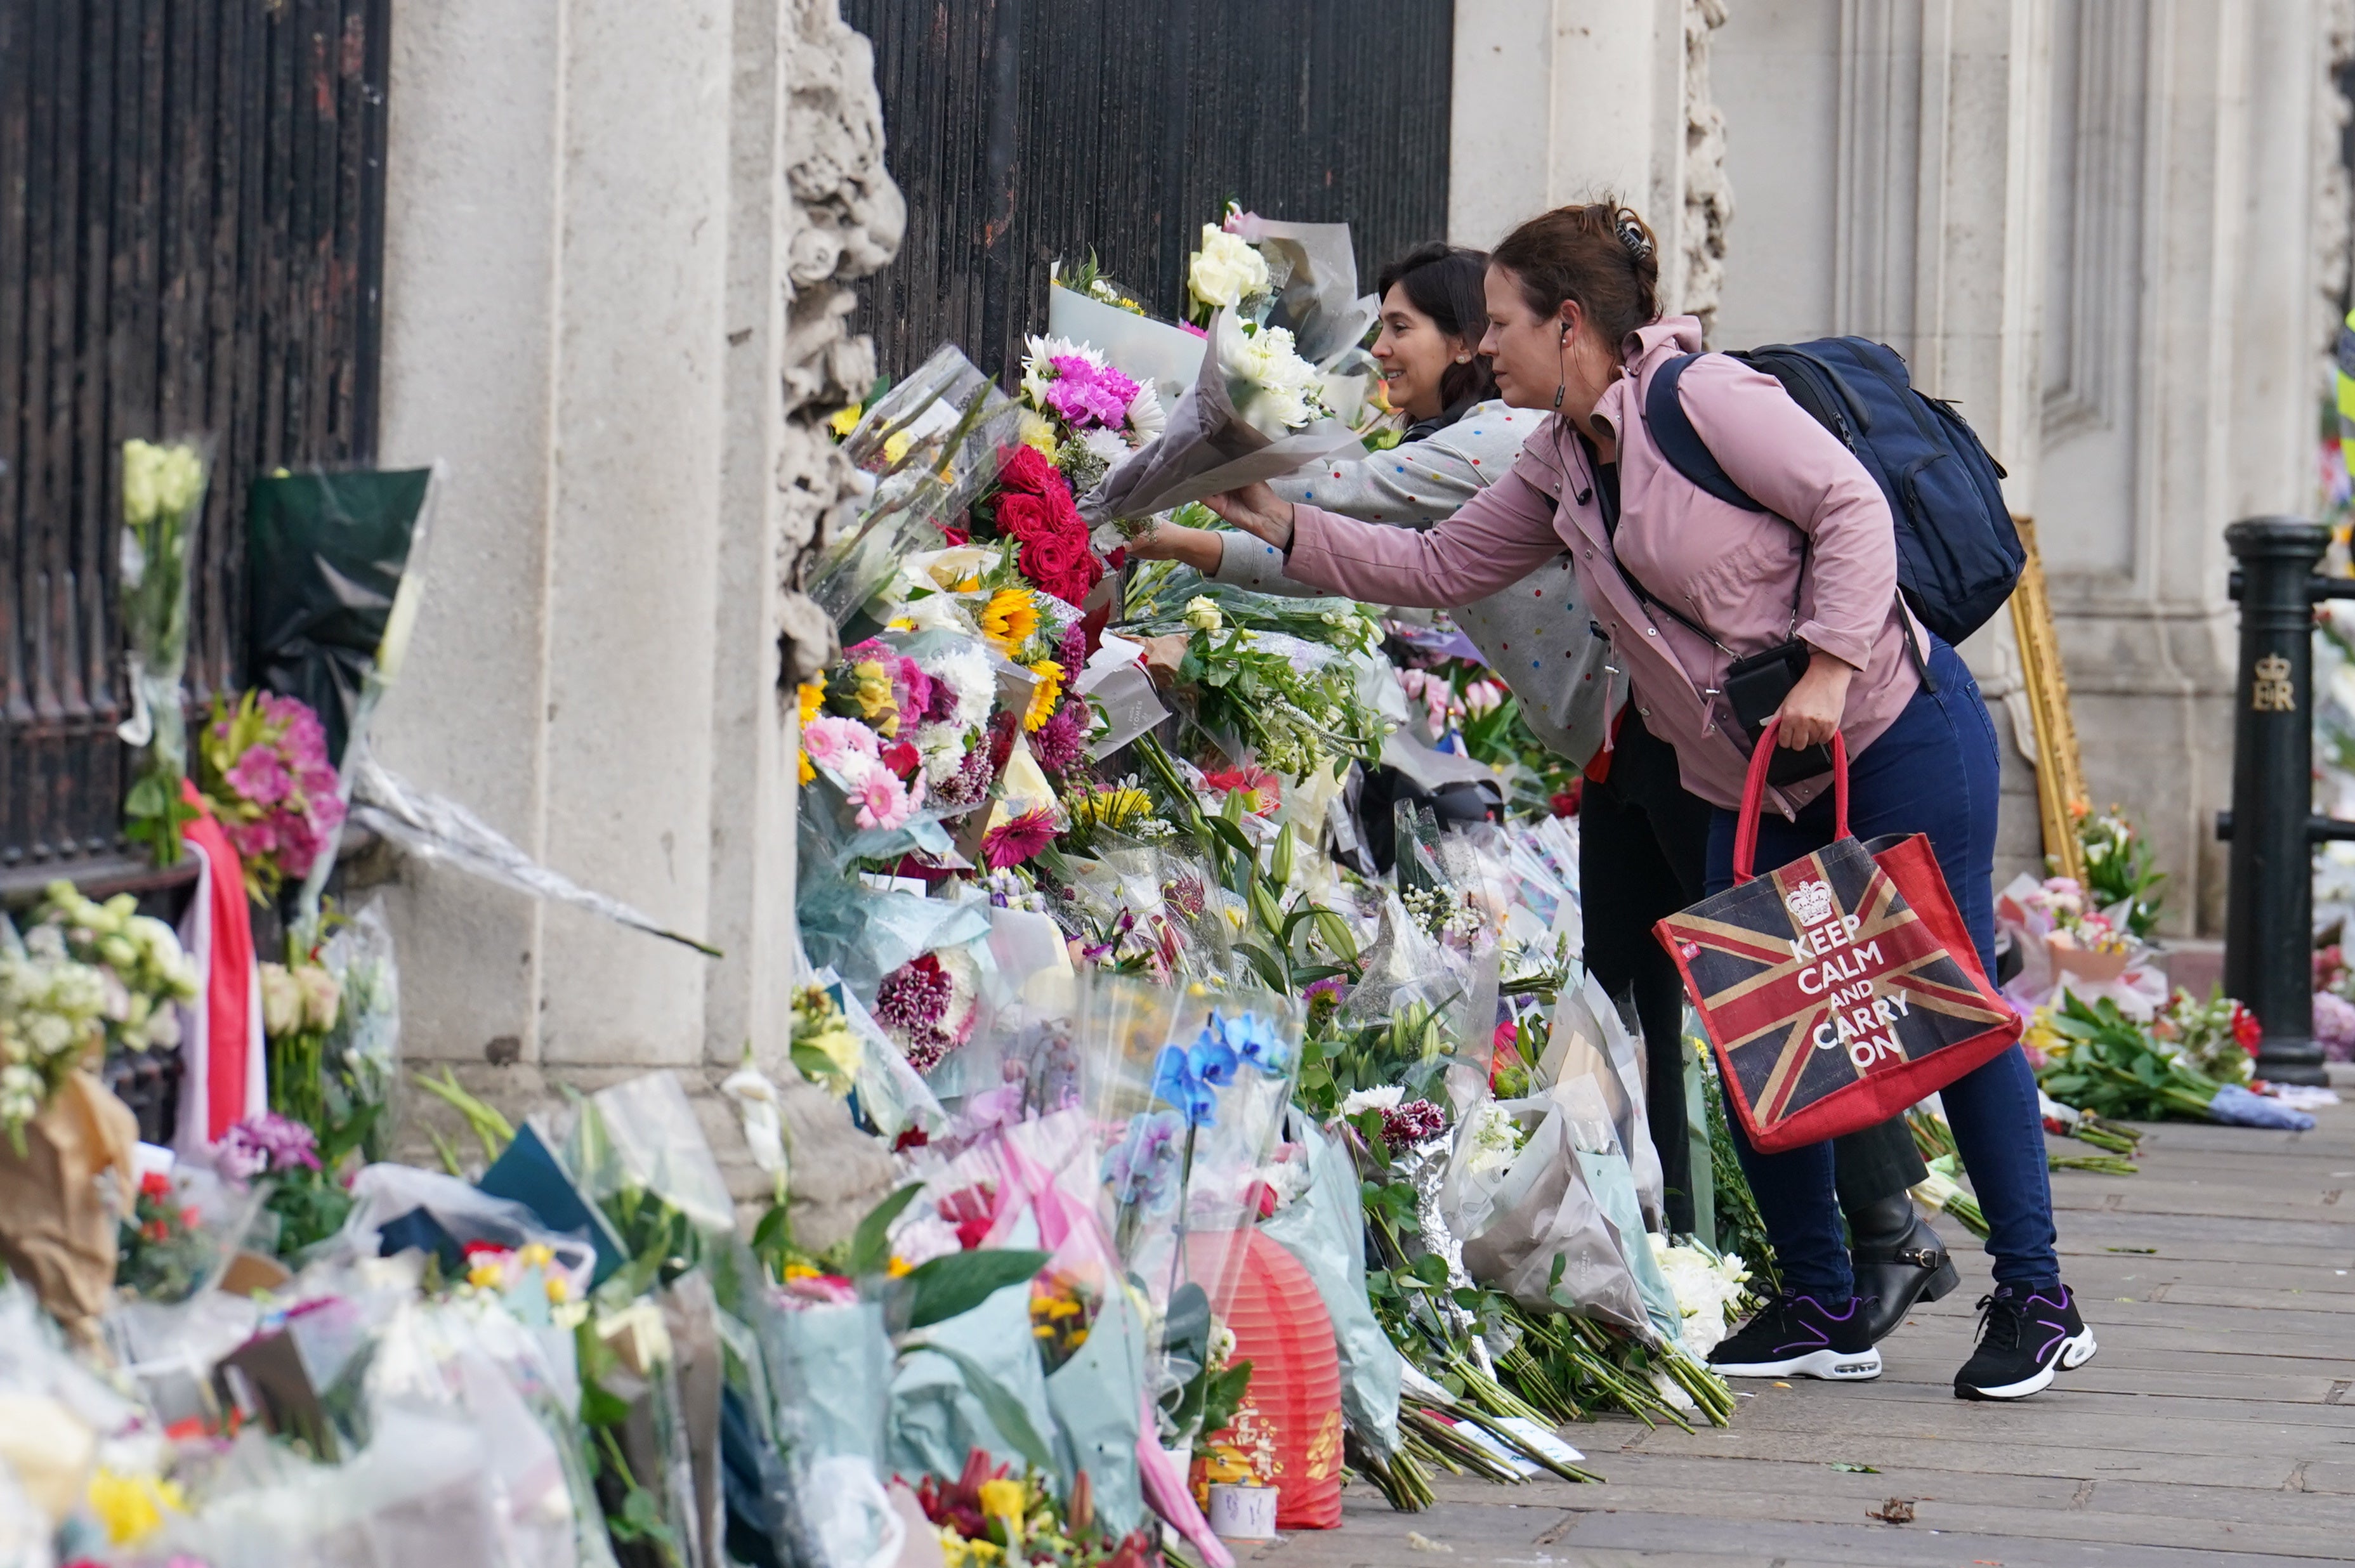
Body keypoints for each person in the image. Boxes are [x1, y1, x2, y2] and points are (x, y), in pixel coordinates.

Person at [1186, 200, 2089, 1402]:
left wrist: (1826, 662)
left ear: (1572, 327)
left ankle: (2038, 1296)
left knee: (1945, 1002)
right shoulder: (1560, 457)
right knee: (1758, 1016)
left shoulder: (1702, 401)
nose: (1486, 347)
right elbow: (1440, 566)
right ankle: (1821, 1300)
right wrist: (1282, 525)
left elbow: (1850, 509)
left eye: (1502, 323)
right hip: (1748, 776)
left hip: (1888, 733)